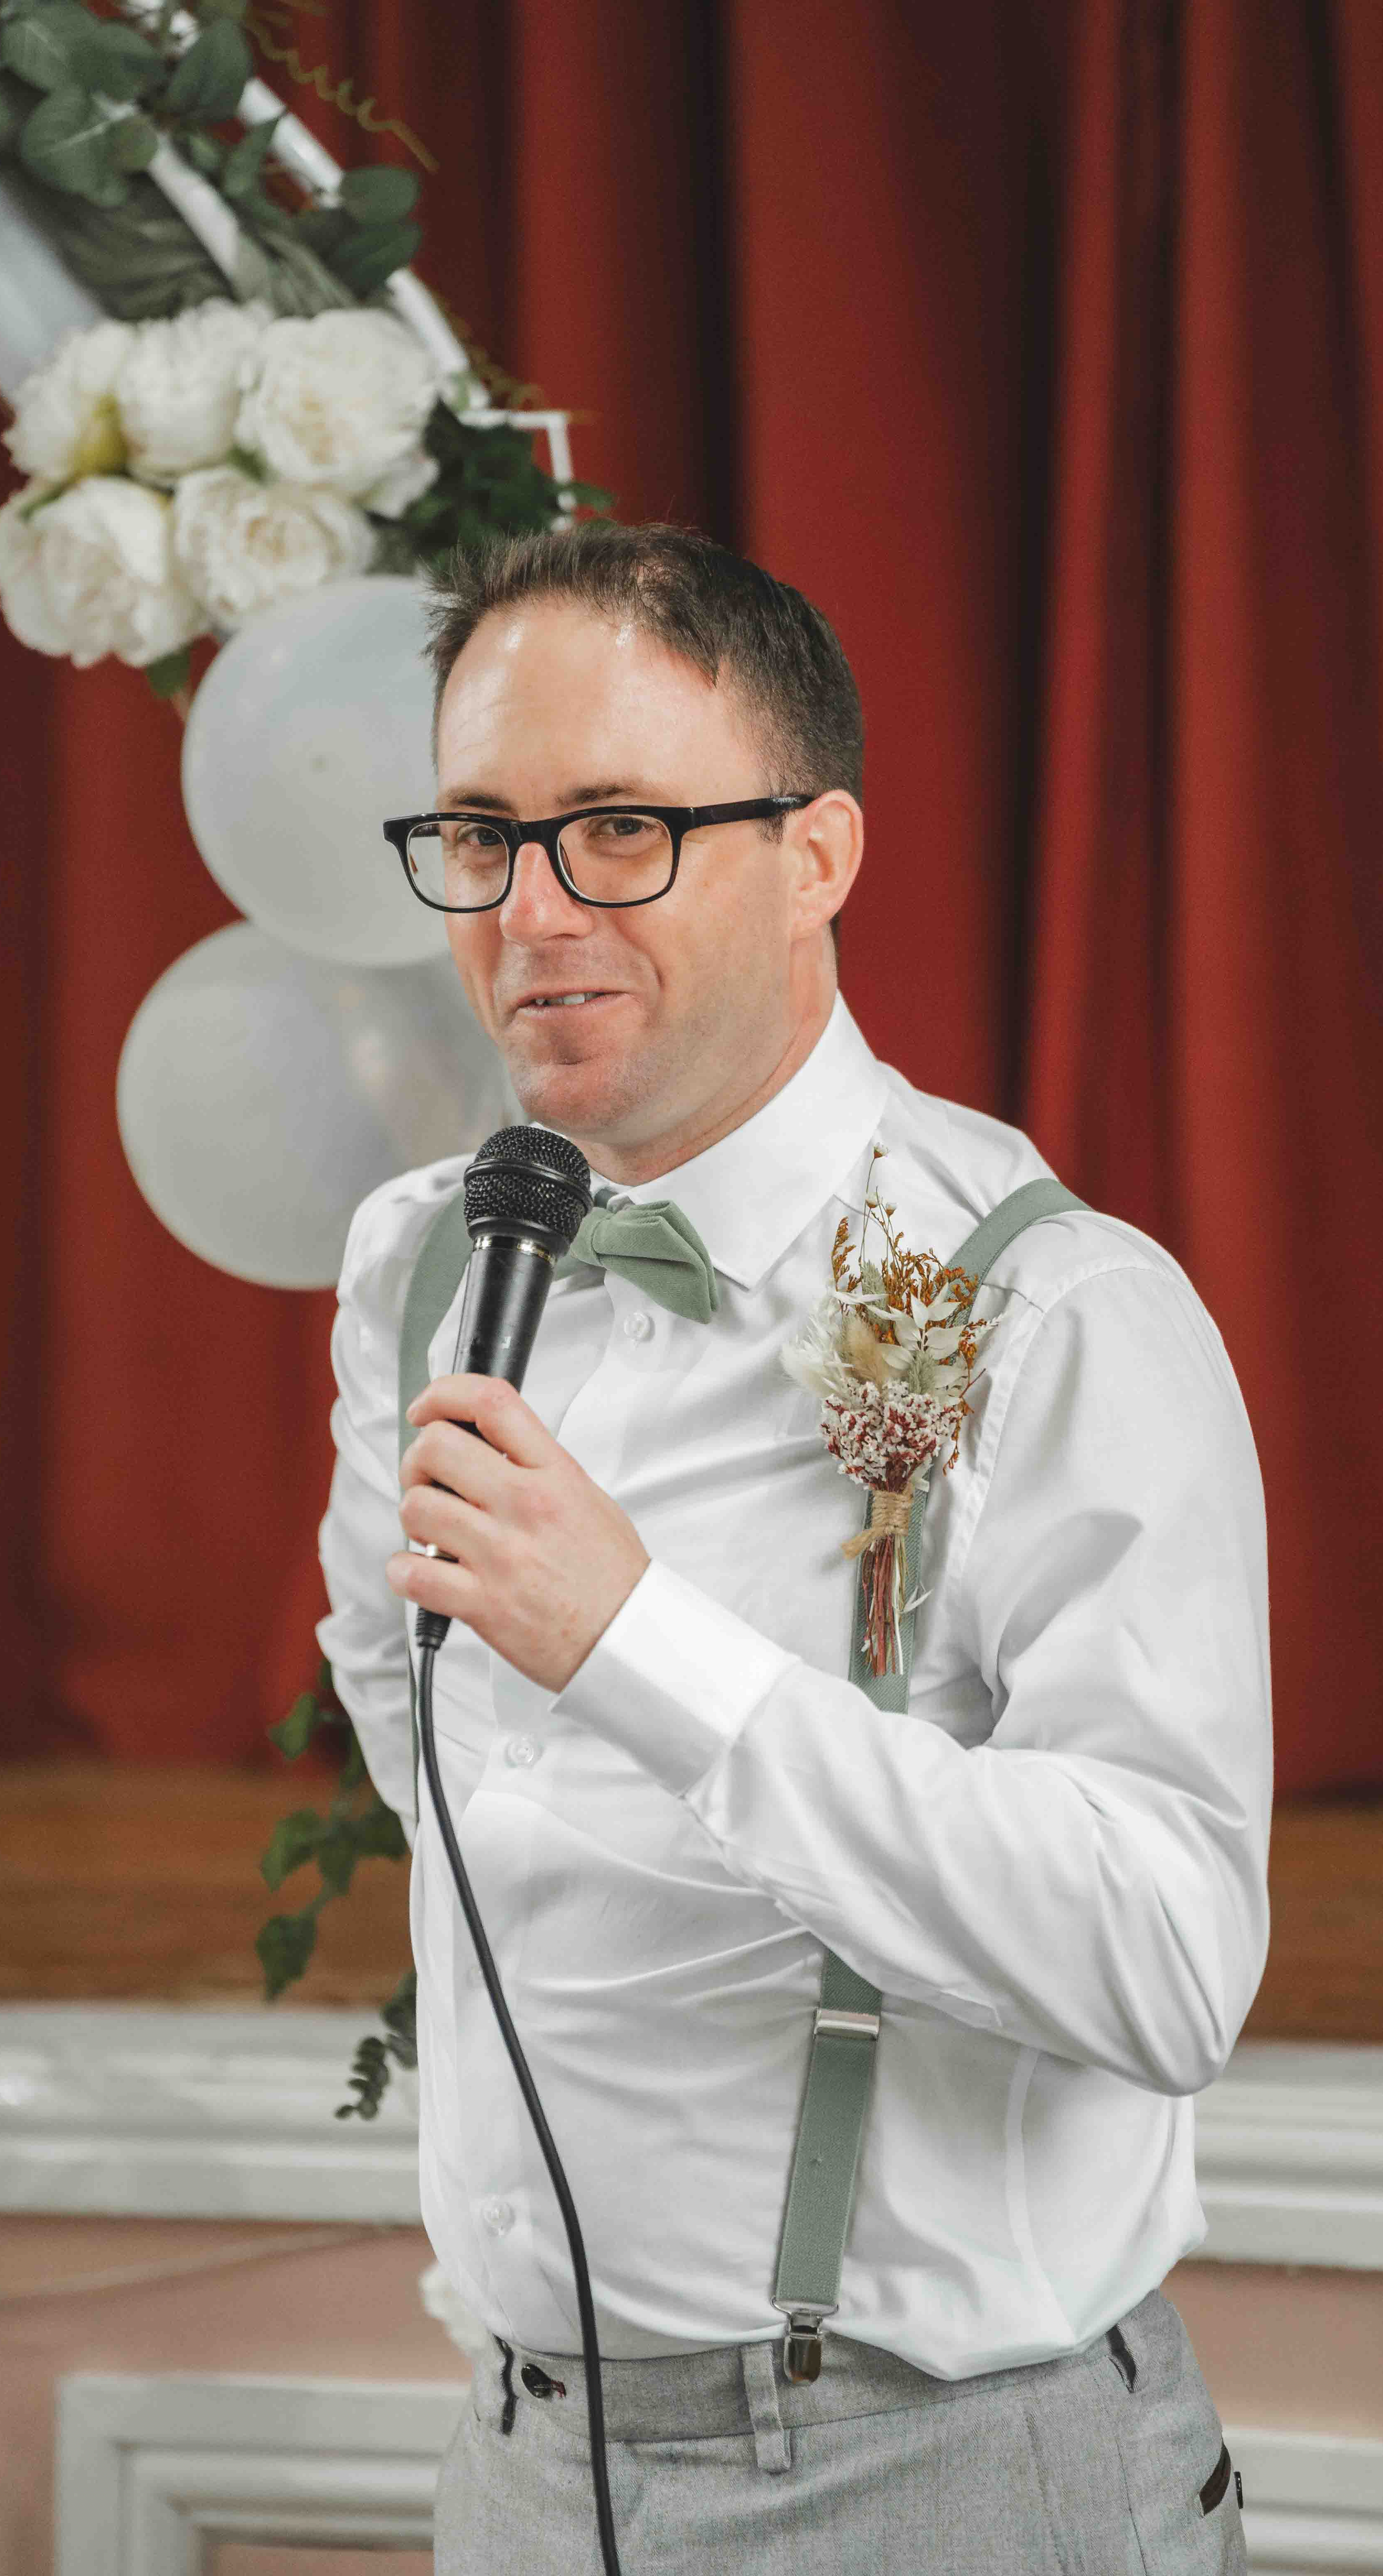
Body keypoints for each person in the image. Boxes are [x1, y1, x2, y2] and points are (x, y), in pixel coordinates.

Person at [317, 519, 1271, 2574]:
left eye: (621, 829)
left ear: (818, 853)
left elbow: (1174, 1959)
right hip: (516, 2453)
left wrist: (642, 1641)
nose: (533, 910)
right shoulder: (416, 1262)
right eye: (480, 835)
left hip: (932, 2474)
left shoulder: (1056, 1311)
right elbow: (419, 1730)